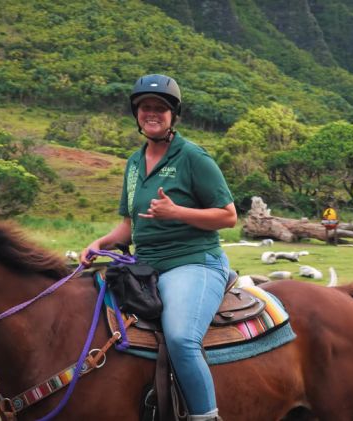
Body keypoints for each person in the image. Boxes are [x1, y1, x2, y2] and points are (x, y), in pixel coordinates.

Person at [81, 74, 236, 421]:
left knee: (181, 338)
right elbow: (128, 225)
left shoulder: (194, 157)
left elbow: (228, 216)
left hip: (193, 262)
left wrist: (176, 212)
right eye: (145, 108)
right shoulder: (134, 163)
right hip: (146, 265)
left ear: (173, 115)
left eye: (160, 108)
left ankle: (206, 417)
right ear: (136, 114)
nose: (152, 114)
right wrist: (101, 243)